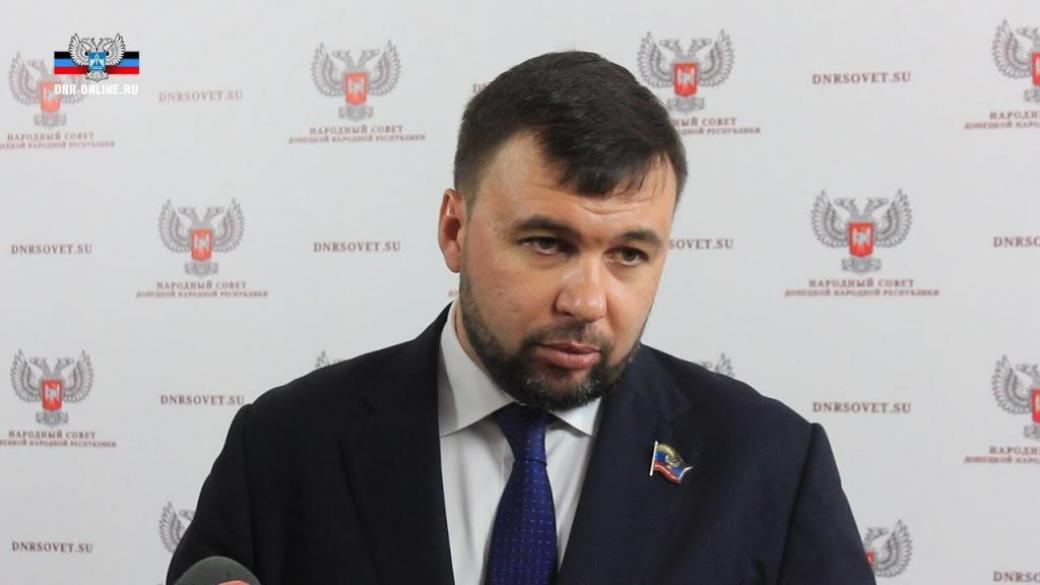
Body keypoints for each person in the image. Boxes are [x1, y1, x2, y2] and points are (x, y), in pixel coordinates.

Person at [167, 51, 875, 585]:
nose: (587, 302)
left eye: (629, 254)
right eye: (547, 243)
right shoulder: (284, 446)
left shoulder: (770, 464)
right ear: (454, 230)